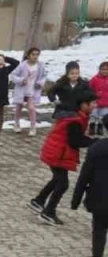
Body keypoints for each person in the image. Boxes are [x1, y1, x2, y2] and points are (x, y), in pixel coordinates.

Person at [32, 88, 98, 226]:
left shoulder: (76, 116)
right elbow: (75, 141)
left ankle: (38, 201)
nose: (95, 105)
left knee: (57, 179)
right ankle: (48, 213)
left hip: (56, 150)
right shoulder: (74, 119)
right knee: (63, 184)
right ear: (83, 105)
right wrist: (95, 142)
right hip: (57, 153)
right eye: (92, 103)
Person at [71, 138, 108, 257]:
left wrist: (76, 199)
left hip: (101, 197)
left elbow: (85, 175)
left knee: (99, 228)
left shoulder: (97, 148)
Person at [10, 47, 46, 136]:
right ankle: (16, 124)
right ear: (28, 55)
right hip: (22, 90)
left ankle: (33, 127)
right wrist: (21, 80)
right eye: (33, 54)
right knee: (19, 107)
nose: (35, 56)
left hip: (32, 90)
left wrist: (40, 83)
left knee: (31, 108)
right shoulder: (22, 65)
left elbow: (44, 76)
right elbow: (13, 75)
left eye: (37, 55)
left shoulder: (40, 65)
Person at [90, 60, 108, 136]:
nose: (105, 71)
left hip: (106, 102)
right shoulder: (95, 79)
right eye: (103, 69)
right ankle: (92, 128)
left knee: (103, 117)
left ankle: (100, 128)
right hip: (95, 102)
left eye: (107, 69)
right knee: (93, 116)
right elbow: (89, 89)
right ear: (99, 70)